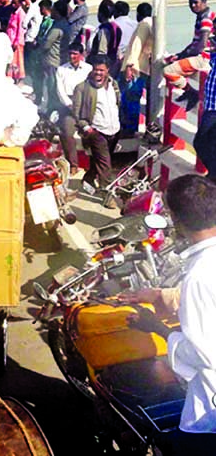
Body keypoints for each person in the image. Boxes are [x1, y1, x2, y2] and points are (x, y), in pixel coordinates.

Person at [125, 175, 216, 452]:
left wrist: (158, 328)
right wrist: (162, 296)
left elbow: (204, 354)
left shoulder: (199, 276)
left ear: (176, 220)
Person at [72, 55, 121, 201]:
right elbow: (76, 112)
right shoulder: (82, 88)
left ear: (107, 71)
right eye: (95, 70)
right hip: (96, 131)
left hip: (114, 130)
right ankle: (107, 196)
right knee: (105, 165)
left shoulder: (114, 85)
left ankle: (88, 179)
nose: (98, 73)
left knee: (99, 161)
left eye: (101, 70)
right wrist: (87, 128)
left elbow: (117, 104)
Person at [164, 0, 216, 111]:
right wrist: (179, 55)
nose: (193, 6)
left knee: (168, 70)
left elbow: (201, 45)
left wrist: (182, 57)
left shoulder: (206, 19)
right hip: (204, 56)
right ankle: (190, 92)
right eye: (190, 3)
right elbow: (194, 43)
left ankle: (192, 93)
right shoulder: (203, 16)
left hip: (204, 57)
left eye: (196, 3)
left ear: (204, 2)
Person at [55, 43, 93, 173]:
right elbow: (60, 90)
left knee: (91, 132)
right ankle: (73, 164)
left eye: (75, 54)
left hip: (85, 105)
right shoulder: (62, 69)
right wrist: (69, 105)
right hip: (69, 105)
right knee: (66, 131)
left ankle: (92, 165)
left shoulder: (88, 69)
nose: (72, 56)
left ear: (81, 55)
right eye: (70, 53)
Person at [37, 1, 69, 112]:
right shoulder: (65, 24)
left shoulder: (57, 27)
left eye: (54, 10)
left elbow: (46, 44)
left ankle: (52, 110)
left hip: (52, 60)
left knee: (52, 87)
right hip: (60, 58)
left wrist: (39, 41)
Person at [195, 51, 216, 178]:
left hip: (214, 110)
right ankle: (213, 174)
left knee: (202, 143)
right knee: (204, 143)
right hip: (210, 107)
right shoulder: (213, 58)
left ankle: (213, 175)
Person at [89, 0, 123, 72]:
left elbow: (102, 51)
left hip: (104, 65)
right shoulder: (117, 27)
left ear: (101, 14)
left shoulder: (104, 29)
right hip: (114, 63)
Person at [7, 0, 28, 81]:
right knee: (11, 60)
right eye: (12, 3)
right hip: (10, 39)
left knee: (17, 61)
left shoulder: (21, 13)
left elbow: (21, 29)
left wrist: (16, 41)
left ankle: (18, 77)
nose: (13, 5)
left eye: (15, 3)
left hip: (17, 41)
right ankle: (12, 75)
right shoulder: (13, 13)